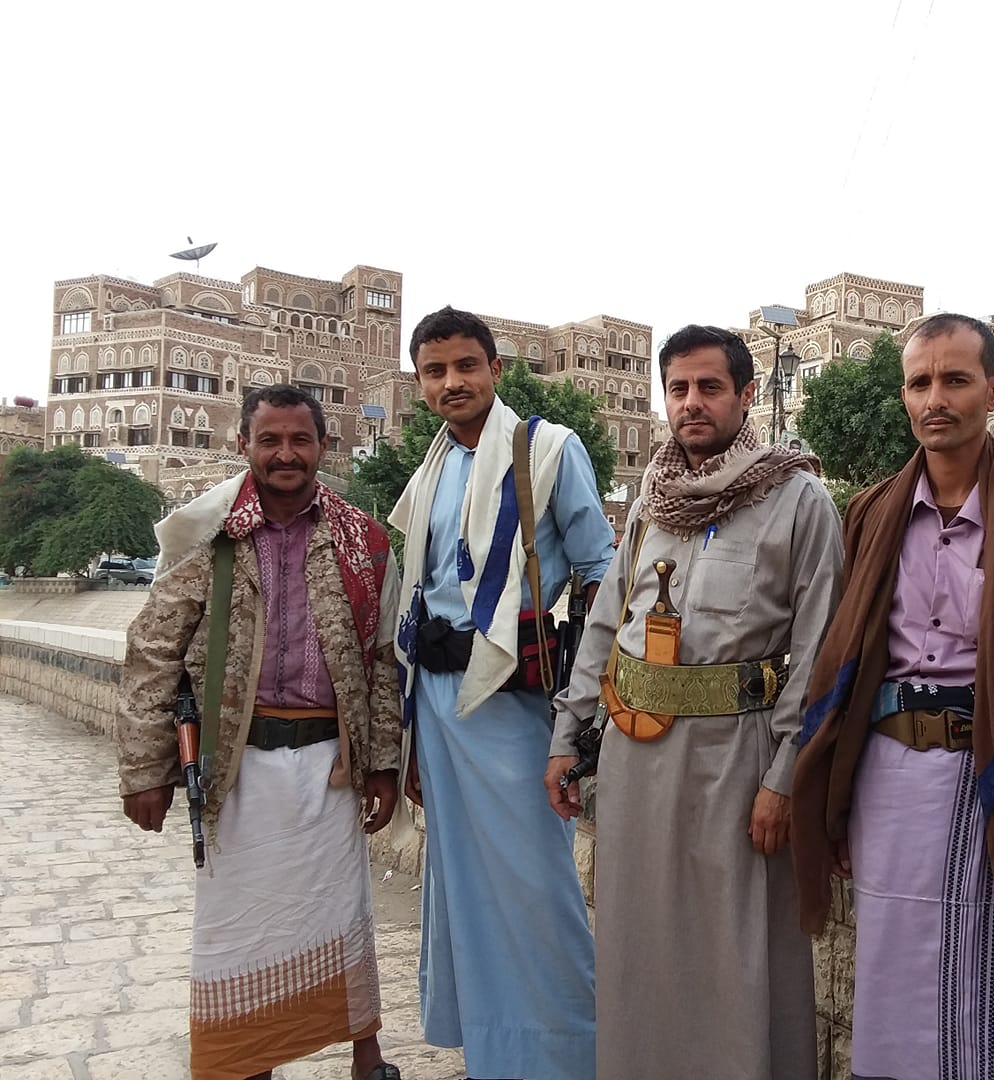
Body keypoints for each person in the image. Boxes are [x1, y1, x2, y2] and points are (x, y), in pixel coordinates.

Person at [791, 313, 994, 1079]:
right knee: (895, 968)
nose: (937, 399)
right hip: (891, 776)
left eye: (956, 380)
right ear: (903, 395)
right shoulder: (873, 510)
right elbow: (849, 657)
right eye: (921, 382)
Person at [546, 324, 843, 1080]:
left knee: (735, 948)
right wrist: (567, 729)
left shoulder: (798, 500)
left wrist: (784, 777)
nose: (692, 403)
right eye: (678, 388)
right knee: (640, 943)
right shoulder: (654, 499)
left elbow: (817, 654)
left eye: (710, 387)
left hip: (736, 764)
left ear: (747, 396)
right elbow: (608, 621)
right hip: (638, 762)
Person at [116, 384, 403, 1080]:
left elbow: (380, 659)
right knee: (240, 935)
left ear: (322, 448)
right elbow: (153, 653)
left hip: (331, 767)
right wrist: (145, 770)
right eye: (269, 440)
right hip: (236, 773)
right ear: (243, 445)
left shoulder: (361, 541)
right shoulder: (207, 532)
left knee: (341, 917)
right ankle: (252, 1065)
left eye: (299, 440)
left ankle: (368, 1058)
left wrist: (383, 764)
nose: (285, 454)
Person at [391, 305, 614, 1080]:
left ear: (494, 369)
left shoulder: (548, 449)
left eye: (465, 366)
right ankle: (496, 1055)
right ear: (420, 381)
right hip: (439, 706)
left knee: (535, 890)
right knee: (461, 887)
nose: (452, 382)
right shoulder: (432, 465)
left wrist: (581, 711)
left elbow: (599, 574)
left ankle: (570, 1055)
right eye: (435, 371)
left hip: (516, 704)